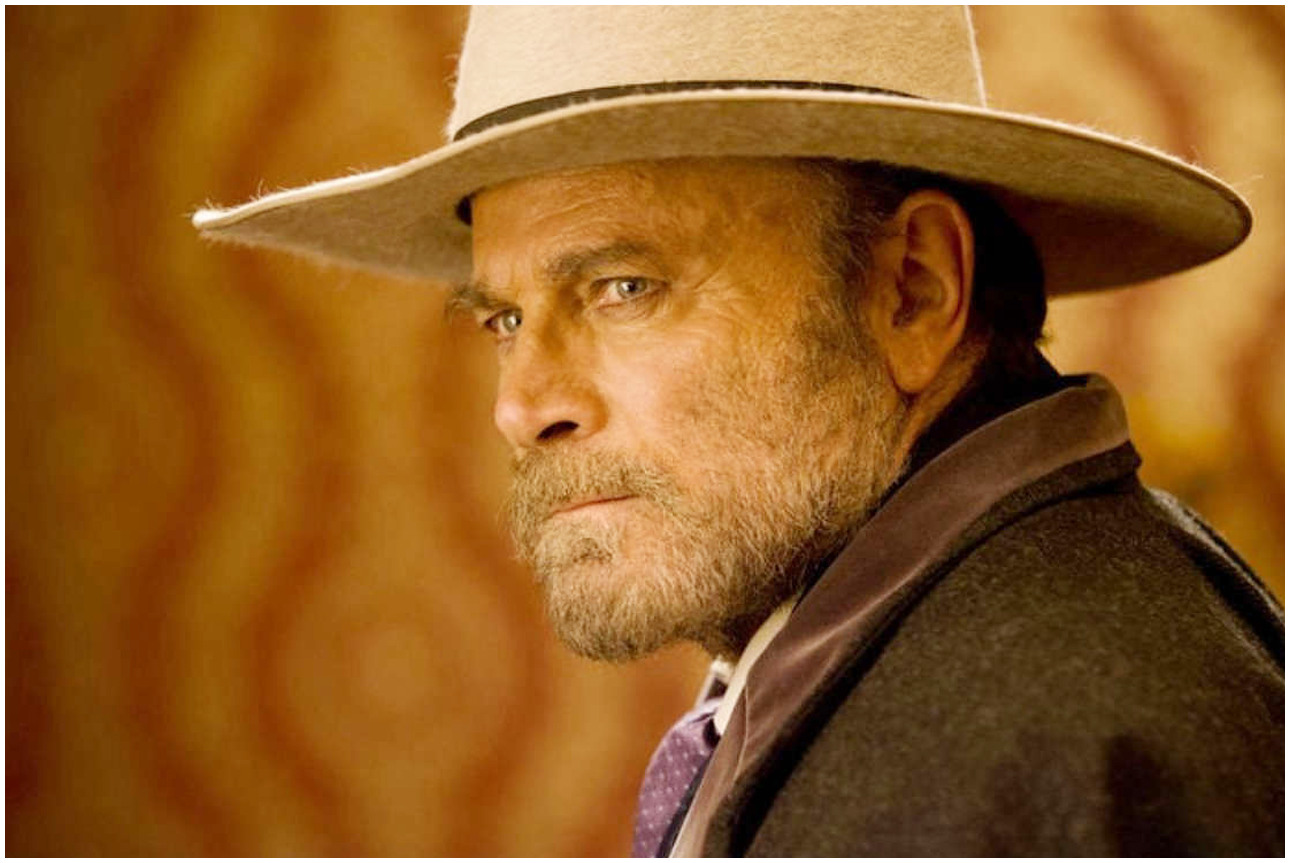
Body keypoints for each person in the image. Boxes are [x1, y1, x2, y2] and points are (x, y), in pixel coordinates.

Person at [192, 7, 1283, 856]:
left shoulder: (1049, 737)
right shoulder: (965, 645)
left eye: (623, 286)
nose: (521, 406)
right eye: (504, 320)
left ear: (912, 287)